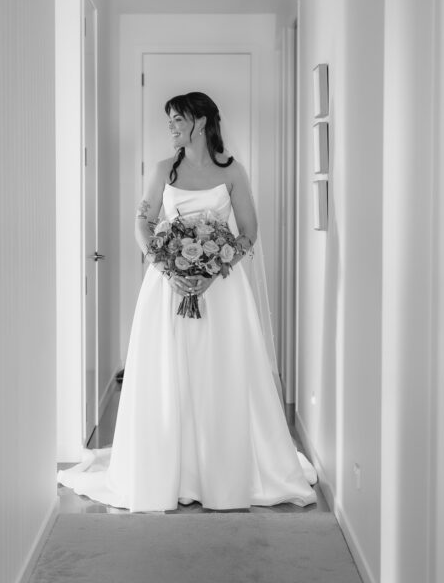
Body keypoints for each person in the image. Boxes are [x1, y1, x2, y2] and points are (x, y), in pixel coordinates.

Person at [58, 91, 316, 512]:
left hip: (221, 290)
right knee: (169, 372)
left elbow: (249, 231)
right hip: (167, 286)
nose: (172, 128)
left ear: (200, 121)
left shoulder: (233, 172)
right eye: (170, 121)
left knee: (217, 371)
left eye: (177, 120)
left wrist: (214, 268)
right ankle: (169, 472)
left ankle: (221, 472)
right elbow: (143, 220)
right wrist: (166, 266)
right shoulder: (164, 169)